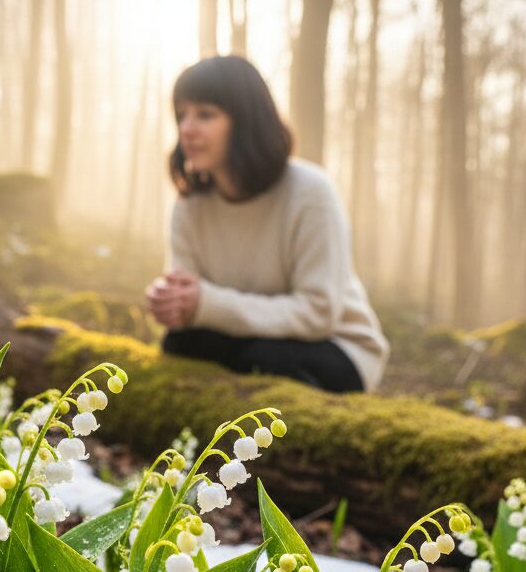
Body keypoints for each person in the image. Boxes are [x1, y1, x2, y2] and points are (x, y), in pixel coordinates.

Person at [146, 55, 388, 393]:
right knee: (180, 343)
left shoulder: (311, 193)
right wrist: (175, 304)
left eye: (205, 114)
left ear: (246, 121)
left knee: (264, 357)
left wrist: (206, 304)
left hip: (335, 345)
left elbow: (318, 314)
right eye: (181, 115)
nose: (186, 129)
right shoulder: (190, 206)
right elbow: (191, 307)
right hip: (242, 340)